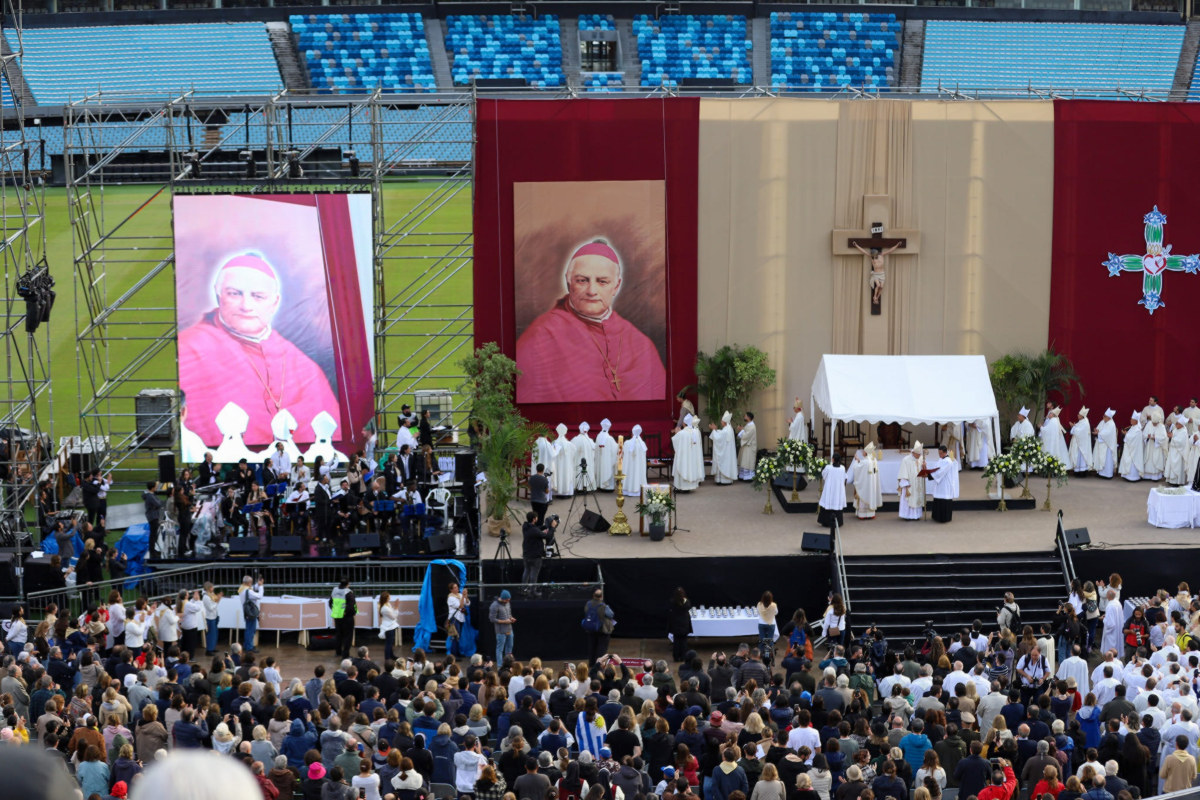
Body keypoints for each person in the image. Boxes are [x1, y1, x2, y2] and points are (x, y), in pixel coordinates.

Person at [177, 253, 341, 446]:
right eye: (234, 294)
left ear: (274, 302)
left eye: (258, 296)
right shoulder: (189, 349)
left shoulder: (304, 367)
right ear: (218, 295)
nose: (246, 306)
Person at [515, 239, 666, 403]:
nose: (592, 291)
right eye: (582, 280)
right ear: (569, 282)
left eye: (602, 281)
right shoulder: (540, 337)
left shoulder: (642, 345)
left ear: (616, 286)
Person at [928, 445, 960, 524]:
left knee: (944, 500)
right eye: (939, 453)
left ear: (945, 452)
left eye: (941, 453)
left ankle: (944, 518)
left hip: (945, 484)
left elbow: (940, 472)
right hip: (940, 483)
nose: (939, 455)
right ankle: (937, 517)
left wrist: (930, 475)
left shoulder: (948, 461)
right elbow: (936, 468)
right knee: (938, 499)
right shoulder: (941, 459)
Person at [521, 512, 555, 588]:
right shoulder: (534, 530)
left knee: (526, 571)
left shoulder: (525, 526)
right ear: (534, 519)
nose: (537, 518)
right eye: (536, 517)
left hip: (526, 554)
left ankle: (523, 588)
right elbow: (547, 536)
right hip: (535, 556)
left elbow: (536, 530)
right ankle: (533, 590)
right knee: (534, 574)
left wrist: (545, 527)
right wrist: (552, 527)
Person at [583, 588, 616, 665]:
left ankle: (591, 664)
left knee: (592, 647)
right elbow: (611, 615)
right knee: (601, 648)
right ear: (601, 596)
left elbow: (585, 612)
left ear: (593, 596)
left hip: (591, 629)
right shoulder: (603, 606)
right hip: (602, 630)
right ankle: (599, 664)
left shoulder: (588, 604)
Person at [849, 444, 882, 520]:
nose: (862, 452)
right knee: (870, 495)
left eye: (863, 451)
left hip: (865, 485)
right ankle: (871, 514)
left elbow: (856, 468)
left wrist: (856, 460)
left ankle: (863, 515)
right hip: (871, 484)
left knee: (863, 495)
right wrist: (859, 460)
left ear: (866, 452)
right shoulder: (874, 460)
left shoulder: (865, 462)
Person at [672, 415, 703, 492]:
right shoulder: (695, 432)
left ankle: (681, 487)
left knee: (683, 467)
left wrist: (676, 433)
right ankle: (690, 487)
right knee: (691, 468)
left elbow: (675, 441)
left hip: (684, 457)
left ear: (684, 423)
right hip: (692, 457)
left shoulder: (682, 433)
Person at [897, 442, 925, 521]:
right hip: (909, 484)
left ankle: (916, 515)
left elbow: (923, 471)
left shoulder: (920, 458)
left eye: (920, 454)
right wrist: (905, 483)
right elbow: (903, 472)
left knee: (917, 498)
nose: (919, 456)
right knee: (909, 499)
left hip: (918, 484)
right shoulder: (906, 460)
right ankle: (907, 516)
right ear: (913, 452)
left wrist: (924, 466)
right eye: (918, 454)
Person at [818, 453, 847, 529]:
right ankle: (838, 522)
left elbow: (824, 476)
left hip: (829, 490)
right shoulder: (842, 468)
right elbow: (844, 478)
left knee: (828, 503)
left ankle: (826, 522)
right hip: (838, 490)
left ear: (833, 459)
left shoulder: (828, 468)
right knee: (837, 502)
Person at [331, 580, 357, 659]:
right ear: (348, 584)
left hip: (337, 616)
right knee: (348, 636)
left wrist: (336, 611)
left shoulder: (335, 591)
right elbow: (351, 605)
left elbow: (330, 602)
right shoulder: (348, 593)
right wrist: (346, 612)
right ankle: (345, 655)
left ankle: (338, 652)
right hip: (347, 617)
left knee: (339, 635)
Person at [709, 412, 737, 485]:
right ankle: (724, 480)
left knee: (723, 463)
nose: (721, 421)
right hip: (727, 452)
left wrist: (714, 430)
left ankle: (723, 481)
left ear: (724, 421)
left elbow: (719, 437)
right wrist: (715, 430)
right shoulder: (728, 428)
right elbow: (721, 433)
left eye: (722, 420)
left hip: (725, 453)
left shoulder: (727, 429)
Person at [489, 590, 515, 665]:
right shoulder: (494, 605)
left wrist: (511, 618)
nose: (508, 601)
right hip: (500, 631)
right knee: (500, 649)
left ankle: (508, 664)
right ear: (503, 598)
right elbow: (492, 619)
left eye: (509, 600)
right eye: (507, 600)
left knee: (509, 647)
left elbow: (509, 614)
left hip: (509, 629)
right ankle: (500, 666)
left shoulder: (508, 603)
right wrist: (505, 621)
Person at [239, 575, 264, 652]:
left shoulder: (242, 588)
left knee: (248, 629)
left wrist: (258, 584)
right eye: (251, 582)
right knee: (251, 630)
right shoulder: (248, 591)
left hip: (247, 611)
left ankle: (247, 645)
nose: (251, 584)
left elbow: (252, 588)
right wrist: (261, 586)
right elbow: (259, 596)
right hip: (251, 612)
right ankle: (249, 647)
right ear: (249, 582)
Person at [667, 587, 693, 663]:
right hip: (684, 624)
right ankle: (683, 657)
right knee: (683, 641)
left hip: (676, 624)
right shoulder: (687, 602)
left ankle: (676, 657)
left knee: (676, 641)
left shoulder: (672, 602)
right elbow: (689, 608)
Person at [1091, 409, 1118, 479]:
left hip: (1107, 445)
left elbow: (1107, 434)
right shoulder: (1102, 422)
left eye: (1105, 416)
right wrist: (1097, 430)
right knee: (1100, 458)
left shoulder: (1111, 424)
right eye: (1103, 416)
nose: (1103, 417)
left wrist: (1098, 433)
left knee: (1107, 460)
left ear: (1109, 417)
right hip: (1101, 444)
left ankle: (1107, 474)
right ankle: (1100, 473)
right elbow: (1099, 429)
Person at [551, 424, 576, 498]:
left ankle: (558, 492)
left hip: (557, 465)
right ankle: (566, 492)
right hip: (566, 465)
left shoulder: (554, 443)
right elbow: (574, 455)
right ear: (566, 431)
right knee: (567, 475)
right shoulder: (570, 444)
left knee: (558, 475)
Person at [622, 425, 648, 497]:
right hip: (639, 467)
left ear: (632, 433)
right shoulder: (642, 444)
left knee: (630, 473)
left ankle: (628, 490)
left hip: (630, 467)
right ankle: (639, 490)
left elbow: (623, 454)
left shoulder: (627, 443)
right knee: (638, 473)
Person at [1166, 415, 1191, 486]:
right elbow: (1173, 437)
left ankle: (1177, 482)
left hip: (1179, 452)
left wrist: (1172, 437)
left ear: (1181, 424)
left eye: (1178, 423)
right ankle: (1171, 480)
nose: (1176, 424)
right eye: (1176, 423)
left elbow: (1181, 443)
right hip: (1172, 451)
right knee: (1171, 465)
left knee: (1177, 466)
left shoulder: (1184, 431)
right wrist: (1169, 436)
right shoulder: (1175, 430)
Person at [1119, 412, 1144, 482]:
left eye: (1132, 419)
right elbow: (1130, 436)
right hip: (1129, 448)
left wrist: (1126, 434)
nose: (1130, 420)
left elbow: (1133, 439)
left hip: (1134, 451)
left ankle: (1133, 477)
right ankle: (1127, 475)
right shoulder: (1132, 428)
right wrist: (1127, 434)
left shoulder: (1138, 430)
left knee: (1132, 463)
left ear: (1136, 421)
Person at [1142, 411, 1167, 481]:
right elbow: (1144, 434)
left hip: (1157, 446)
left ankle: (1155, 476)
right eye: (1153, 423)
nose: (1154, 424)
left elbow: (1164, 438)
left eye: (1155, 423)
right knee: (1148, 459)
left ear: (1158, 422)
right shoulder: (1149, 424)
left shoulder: (1162, 426)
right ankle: (1147, 476)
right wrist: (1147, 436)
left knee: (1156, 459)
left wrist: (1156, 438)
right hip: (1149, 445)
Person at [574, 422, 598, 493]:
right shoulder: (590, 441)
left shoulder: (575, 439)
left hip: (578, 462)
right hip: (588, 463)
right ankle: (587, 488)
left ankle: (579, 487)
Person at [1067, 409, 1094, 475]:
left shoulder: (1085, 422)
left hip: (1082, 445)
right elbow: (1078, 429)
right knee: (1078, 457)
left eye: (1079, 414)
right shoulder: (1081, 421)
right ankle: (1077, 471)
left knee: (1082, 458)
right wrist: (1074, 426)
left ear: (1082, 415)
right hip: (1079, 443)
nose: (1078, 415)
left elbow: (1080, 432)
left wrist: (1073, 427)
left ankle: (1082, 472)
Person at [446, 580, 468, 656]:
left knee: (458, 636)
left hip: (461, 618)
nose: (457, 588)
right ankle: (454, 654)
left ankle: (457, 652)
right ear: (451, 590)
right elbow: (460, 606)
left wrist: (465, 596)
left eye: (457, 587)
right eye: (455, 587)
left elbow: (467, 603)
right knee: (455, 636)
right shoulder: (450, 598)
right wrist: (463, 596)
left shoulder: (460, 595)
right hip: (455, 618)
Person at [142, 481, 164, 559]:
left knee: (153, 534)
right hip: (153, 517)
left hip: (152, 516)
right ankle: (152, 551)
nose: (157, 487)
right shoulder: (150, 496)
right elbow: (159, 503)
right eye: (155, 486)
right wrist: (158, 504)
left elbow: (158, 503)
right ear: (152, 488)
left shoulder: (150, 495)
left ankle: (153, 549)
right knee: (153, 535)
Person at [595, 419, 617, 491]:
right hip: (607, 460)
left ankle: (600, 485)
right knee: (608, 467)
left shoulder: (598, 436)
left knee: (600, 467)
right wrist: (619, 446)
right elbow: (615, 449)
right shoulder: (609, 438)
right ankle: (608, 487)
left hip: (600, 459)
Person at [378, 590, 399, 663]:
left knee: (390, 642)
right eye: (389, 596)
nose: (390, 597)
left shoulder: (387, 604)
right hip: (388, 627)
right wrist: (396, 607)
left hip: (391, 626)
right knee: (388, 643)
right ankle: (387, 658)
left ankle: (391, 655)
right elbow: (393, 616)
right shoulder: (385, 608)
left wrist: (394, 609)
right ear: (386, 598)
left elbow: (392, 613)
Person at [737, 413, 758, 481]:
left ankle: (749, 477)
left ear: (748, 417)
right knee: (744, 461)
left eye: (745, 416)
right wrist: (742, 429)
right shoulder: (748, 424)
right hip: (746, 446)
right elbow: (746, 431)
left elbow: (746, 436)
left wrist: (741, 430)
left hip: (749, 446)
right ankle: (743, 476)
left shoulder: (752, 426)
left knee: (748, 462)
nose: (744, 417)